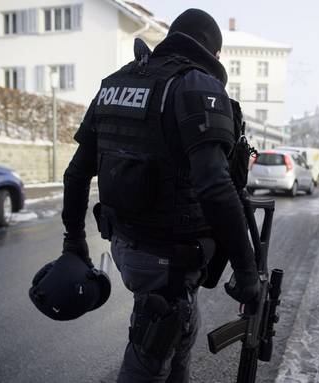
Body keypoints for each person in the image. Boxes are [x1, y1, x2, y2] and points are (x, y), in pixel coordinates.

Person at [60, 8, 259, 383]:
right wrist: (247, 271)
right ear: (212, 52)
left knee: (180, 336)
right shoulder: (195, 84)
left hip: (126, 244)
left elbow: (75, 173)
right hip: (166, 259)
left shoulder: (114, 83)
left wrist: (74, 243)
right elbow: (216, 187)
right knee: (149, 358)